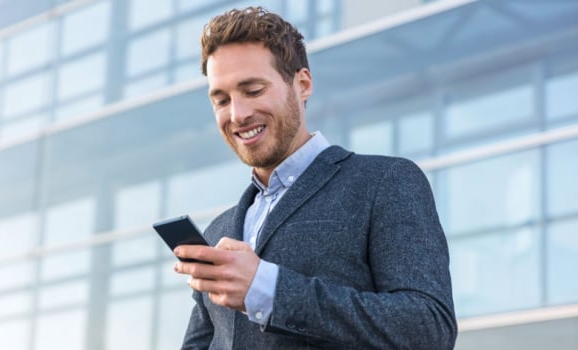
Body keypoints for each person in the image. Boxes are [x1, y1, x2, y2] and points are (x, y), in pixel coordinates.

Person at [171, 6, 457, 349]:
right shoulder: (219, 231)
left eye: (253, 90)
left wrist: (268, 289)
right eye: (221, 99)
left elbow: (428, 328)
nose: (238, 114)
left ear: (302, 84)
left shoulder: (385, 183)